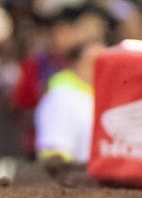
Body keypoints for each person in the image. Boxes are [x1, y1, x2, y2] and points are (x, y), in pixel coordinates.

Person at [34, 27, 101, 164]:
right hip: (77, 180)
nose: (100, 69)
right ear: (78, 64)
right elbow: (54, 154)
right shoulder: (62, 97)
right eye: (94, 62)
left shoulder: (103, 96)